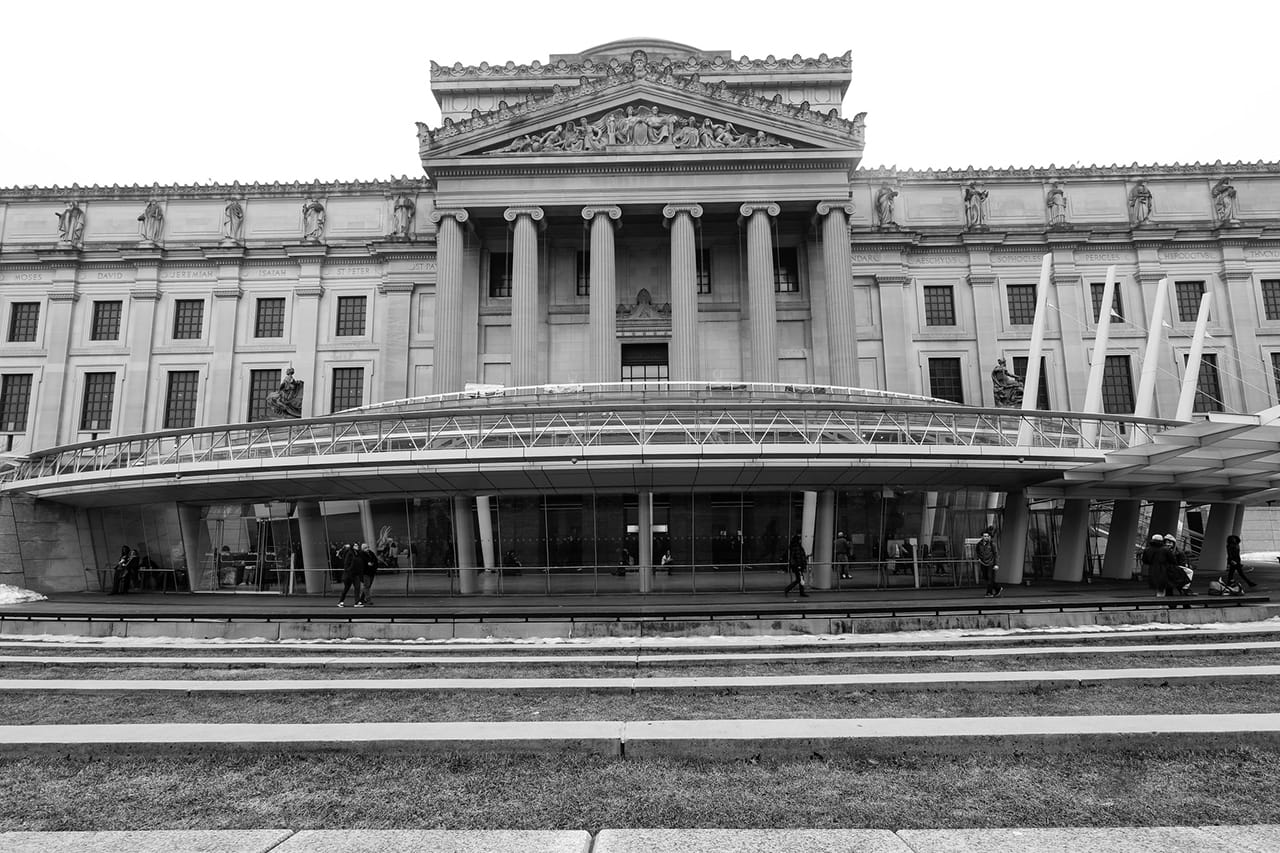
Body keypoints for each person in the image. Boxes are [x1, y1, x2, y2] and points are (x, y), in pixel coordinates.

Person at [976, 530, 1000, 597]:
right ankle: (998, 588)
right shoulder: (979, 544)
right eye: (984, 536)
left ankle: (989, 592)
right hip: (983, 563)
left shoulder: (992, 544)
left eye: (987, 536)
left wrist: (996, 564)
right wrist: (979, 558)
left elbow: (996, 554)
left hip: (991, 563)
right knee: (985, 577)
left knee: (990, 578)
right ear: (982, 537)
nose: (986, 537)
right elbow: (977, 552)